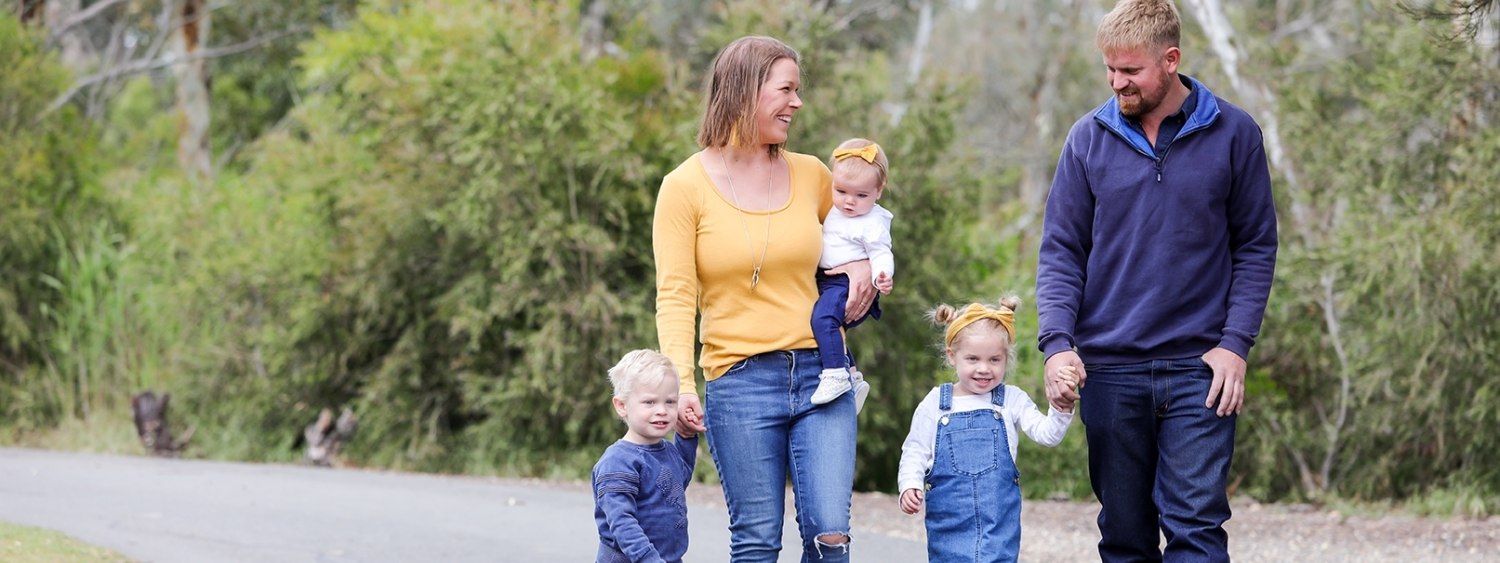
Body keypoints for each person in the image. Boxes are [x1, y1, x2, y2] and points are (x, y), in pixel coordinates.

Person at [1035, 0, 1279, 560]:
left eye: (1130, 70)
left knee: (1197, 530)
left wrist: (1235, 345)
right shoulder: (1087, 138)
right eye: (1109, 69)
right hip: (1109, 370)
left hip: (1201, 371)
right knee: (1125, 538)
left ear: (1171, 60)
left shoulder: (1235, 133)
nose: (1116, 82)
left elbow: (1256, 245)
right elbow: (1062, 251)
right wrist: (1057, 344)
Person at [652, 35, 876, 562]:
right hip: (739, 381)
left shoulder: (813, 174)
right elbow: (676, 296)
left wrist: (864, 265)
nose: (797, 102)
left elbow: (860, 237)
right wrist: (680, 384)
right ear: (745, 90)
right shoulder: (683, 187)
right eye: (786, 90)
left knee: (830, 533)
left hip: (823, 373)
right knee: (756, 539)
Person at [895, 296, 1075, 562]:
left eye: (994, 360)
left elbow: (1047, 434)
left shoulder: (1011, 399)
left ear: (1006, 359)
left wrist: (1061, 407)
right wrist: (909, 484)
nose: (983, 368)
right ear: (952, 356)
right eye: (972, 359)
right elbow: (915, 450)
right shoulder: (936, 403)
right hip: (948, 525)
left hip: (998, 527)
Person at [809, 138, 895, 409]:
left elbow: (881, 252)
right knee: (832, 329)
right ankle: (853, 375)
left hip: (845, 284)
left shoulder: (872, 222)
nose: (849, 201)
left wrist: (882, 275)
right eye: (841, 191)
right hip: (827, 279)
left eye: (861, 196)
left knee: (824, 319)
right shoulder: (835, 209)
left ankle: (835, 374)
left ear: (878, 191)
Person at [591, 349, 699, 563]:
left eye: (670, 402)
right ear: (622, 406)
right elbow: (622, 523)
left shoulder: (667, 451)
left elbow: (678, 480)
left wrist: (686, 437)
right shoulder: (618, 461)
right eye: (650, 402)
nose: (662, 410)